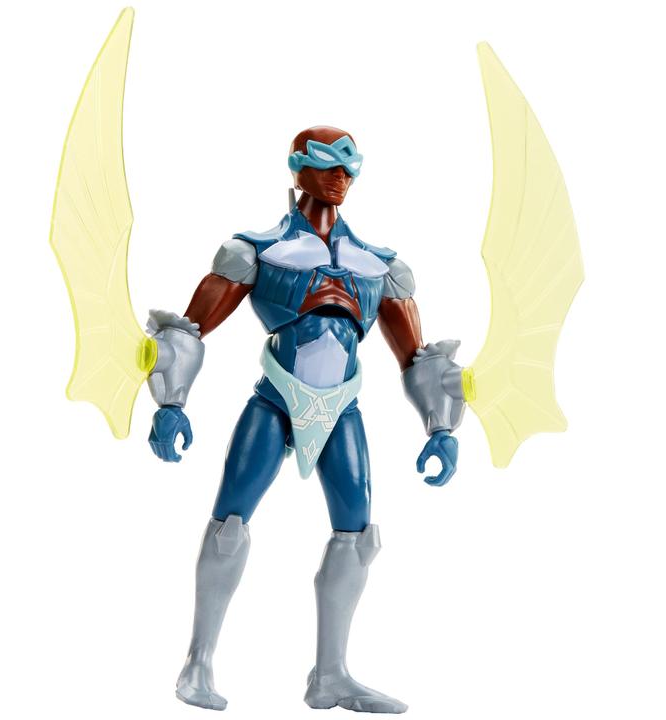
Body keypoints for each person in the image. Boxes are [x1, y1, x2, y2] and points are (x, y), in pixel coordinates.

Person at [145, 125, 466, 713]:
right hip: (275, 399)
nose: (340, 176)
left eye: (349, 166)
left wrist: (441, 427)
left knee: (358, 535)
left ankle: (331, 676)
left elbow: (416, 357)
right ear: (298, 169)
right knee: (230, 523)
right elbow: (188, 331)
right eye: (327, 164)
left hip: (342, 407)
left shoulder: (378, 266)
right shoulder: (257, 251)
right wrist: (171, 403)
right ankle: (198, 662)